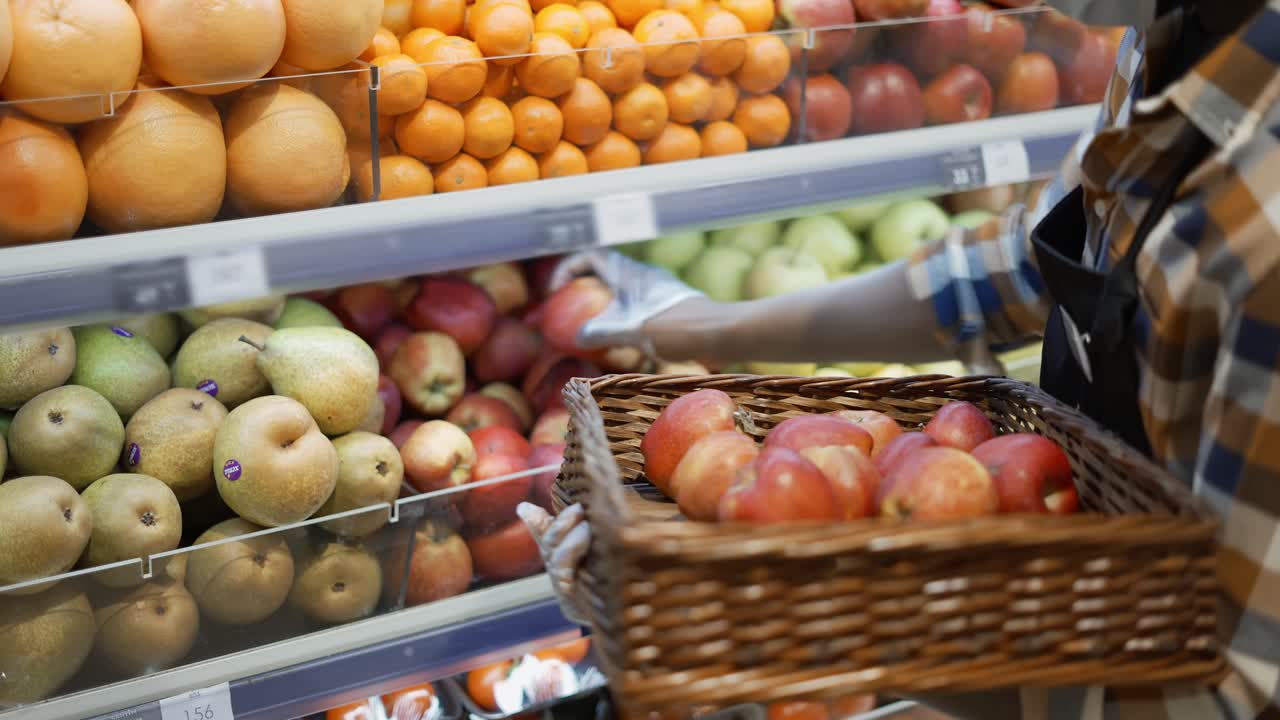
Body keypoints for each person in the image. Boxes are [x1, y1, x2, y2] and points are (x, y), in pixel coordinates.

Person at [517, 0, 1280, 717]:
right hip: (1088, 606)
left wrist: (792, 633)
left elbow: (1222, 698)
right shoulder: (1174, 39)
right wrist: (690, 325)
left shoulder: (1263, 219)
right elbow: (1030, 265)